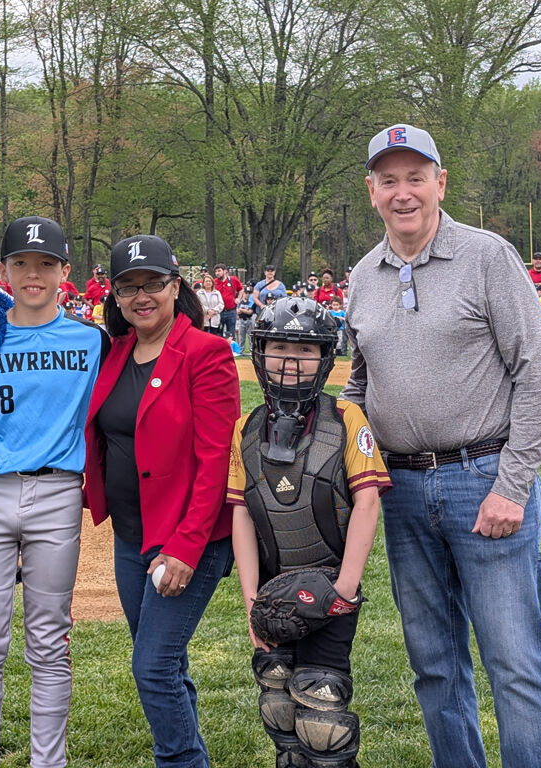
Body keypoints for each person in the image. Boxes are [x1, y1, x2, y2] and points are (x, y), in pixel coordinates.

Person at [343, 123, 541, 768]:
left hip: (485, 480)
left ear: (441, 183)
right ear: (372, 191)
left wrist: (512, 486)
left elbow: (536, 372)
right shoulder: (364, 275)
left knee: (515, 664)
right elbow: (360, 381)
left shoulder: (487, 256)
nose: (403, 192)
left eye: (417, 177)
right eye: (390, 180)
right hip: (404, 492)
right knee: (435, 666)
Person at [0, 216, 109, 768]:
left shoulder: (92, 342)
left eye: (45, 264)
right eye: (21, 263)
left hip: (58, 493)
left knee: (48, 641)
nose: (32, 274)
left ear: (66, 271)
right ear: (3, 271)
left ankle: (49, 761)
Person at [84, 234, 239, 768]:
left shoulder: (207, 352)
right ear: (116, 296)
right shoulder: (116, 350)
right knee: (164, 664)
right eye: (128, 287)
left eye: (152, 283)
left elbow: (215, 459)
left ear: (175, 286)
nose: (140, 296)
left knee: (151, 666)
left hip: (187, 537)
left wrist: (186, 548)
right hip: (132, 535)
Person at [228, 297, 391, 768]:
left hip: (329, 589)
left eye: (305, 350)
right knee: (278, 704)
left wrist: (344, 587)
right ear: (261, 353)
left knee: (322, 721)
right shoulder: (247, 428)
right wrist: (251, 599)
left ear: (325, 358)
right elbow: (240, 513)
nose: (291, 362)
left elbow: (367, 501)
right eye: (279, 347)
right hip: (273, 594)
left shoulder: (345, 420)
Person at [213, 263, 243, 338]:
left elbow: (241, 289)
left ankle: (232, 348)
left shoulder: (233, 280)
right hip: (219, 311)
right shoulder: (214, 282)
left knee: (231, 333)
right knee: (218, 333)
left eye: (219, 271)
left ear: (225, 271)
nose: (217, 273)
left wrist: (238, 298)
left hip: (231, 311)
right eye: (216, 271)